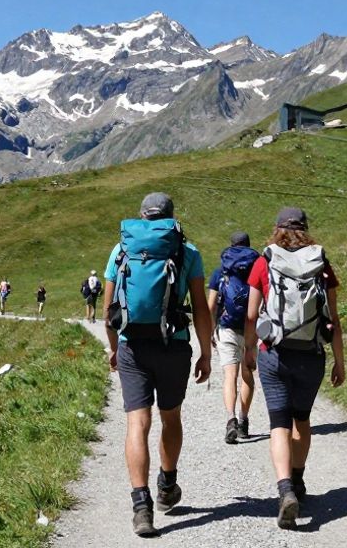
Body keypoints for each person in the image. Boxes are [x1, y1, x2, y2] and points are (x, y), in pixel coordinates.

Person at [103, 192, 213, 537]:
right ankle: (167, 484)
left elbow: (109, 311)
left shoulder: (121, 250)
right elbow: (200, 307)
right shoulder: (187, 251)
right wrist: (206, 352)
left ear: (140, 216)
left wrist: (114, 349)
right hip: (173, 346)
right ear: (170, 217)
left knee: (138, 422)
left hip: (132, 346)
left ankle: (141, 507)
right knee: (170, 416)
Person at [245, 207, 345, 530]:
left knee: (279, 423)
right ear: (305, 229)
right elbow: (334, 317)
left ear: (276, 229)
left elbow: (250, 314)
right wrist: (340, 362)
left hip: (273, 353)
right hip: (311, 354)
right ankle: (299, 483)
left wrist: (249, 351)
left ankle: (285, 488)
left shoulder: (265, 261)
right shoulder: (320, 263)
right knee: (301, 419)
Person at [207, 230, 260, 444]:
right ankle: (244, 421)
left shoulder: (220, 271)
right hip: (251, 329)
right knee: (247, 375)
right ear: (249, 246)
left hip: (226, 327)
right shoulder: (258, 269)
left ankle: (230, 420)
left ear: (230, 246)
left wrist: (211, 330)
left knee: (230, 375)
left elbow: (211, 305)